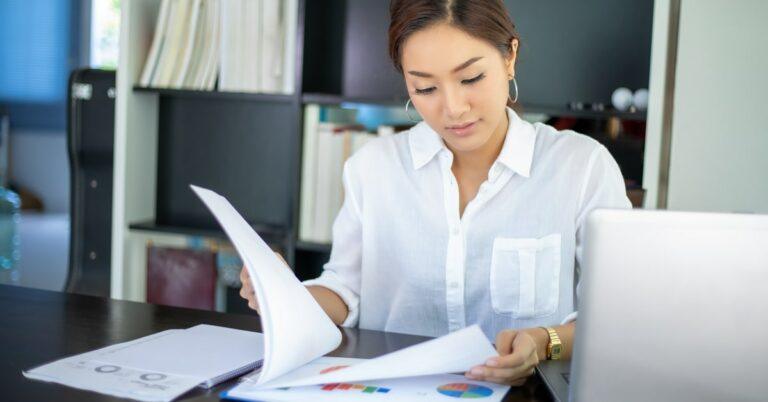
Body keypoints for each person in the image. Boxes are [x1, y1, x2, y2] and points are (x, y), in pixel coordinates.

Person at [240, 0, 631, 386]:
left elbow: (613, 320)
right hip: (395, 390)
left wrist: (544, 342)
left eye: (471, 78)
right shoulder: (373, 168)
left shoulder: (581, 167)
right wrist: (284, 292)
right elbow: (345, 290)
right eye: (425, 87)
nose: (453, 108)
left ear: (510, 57)